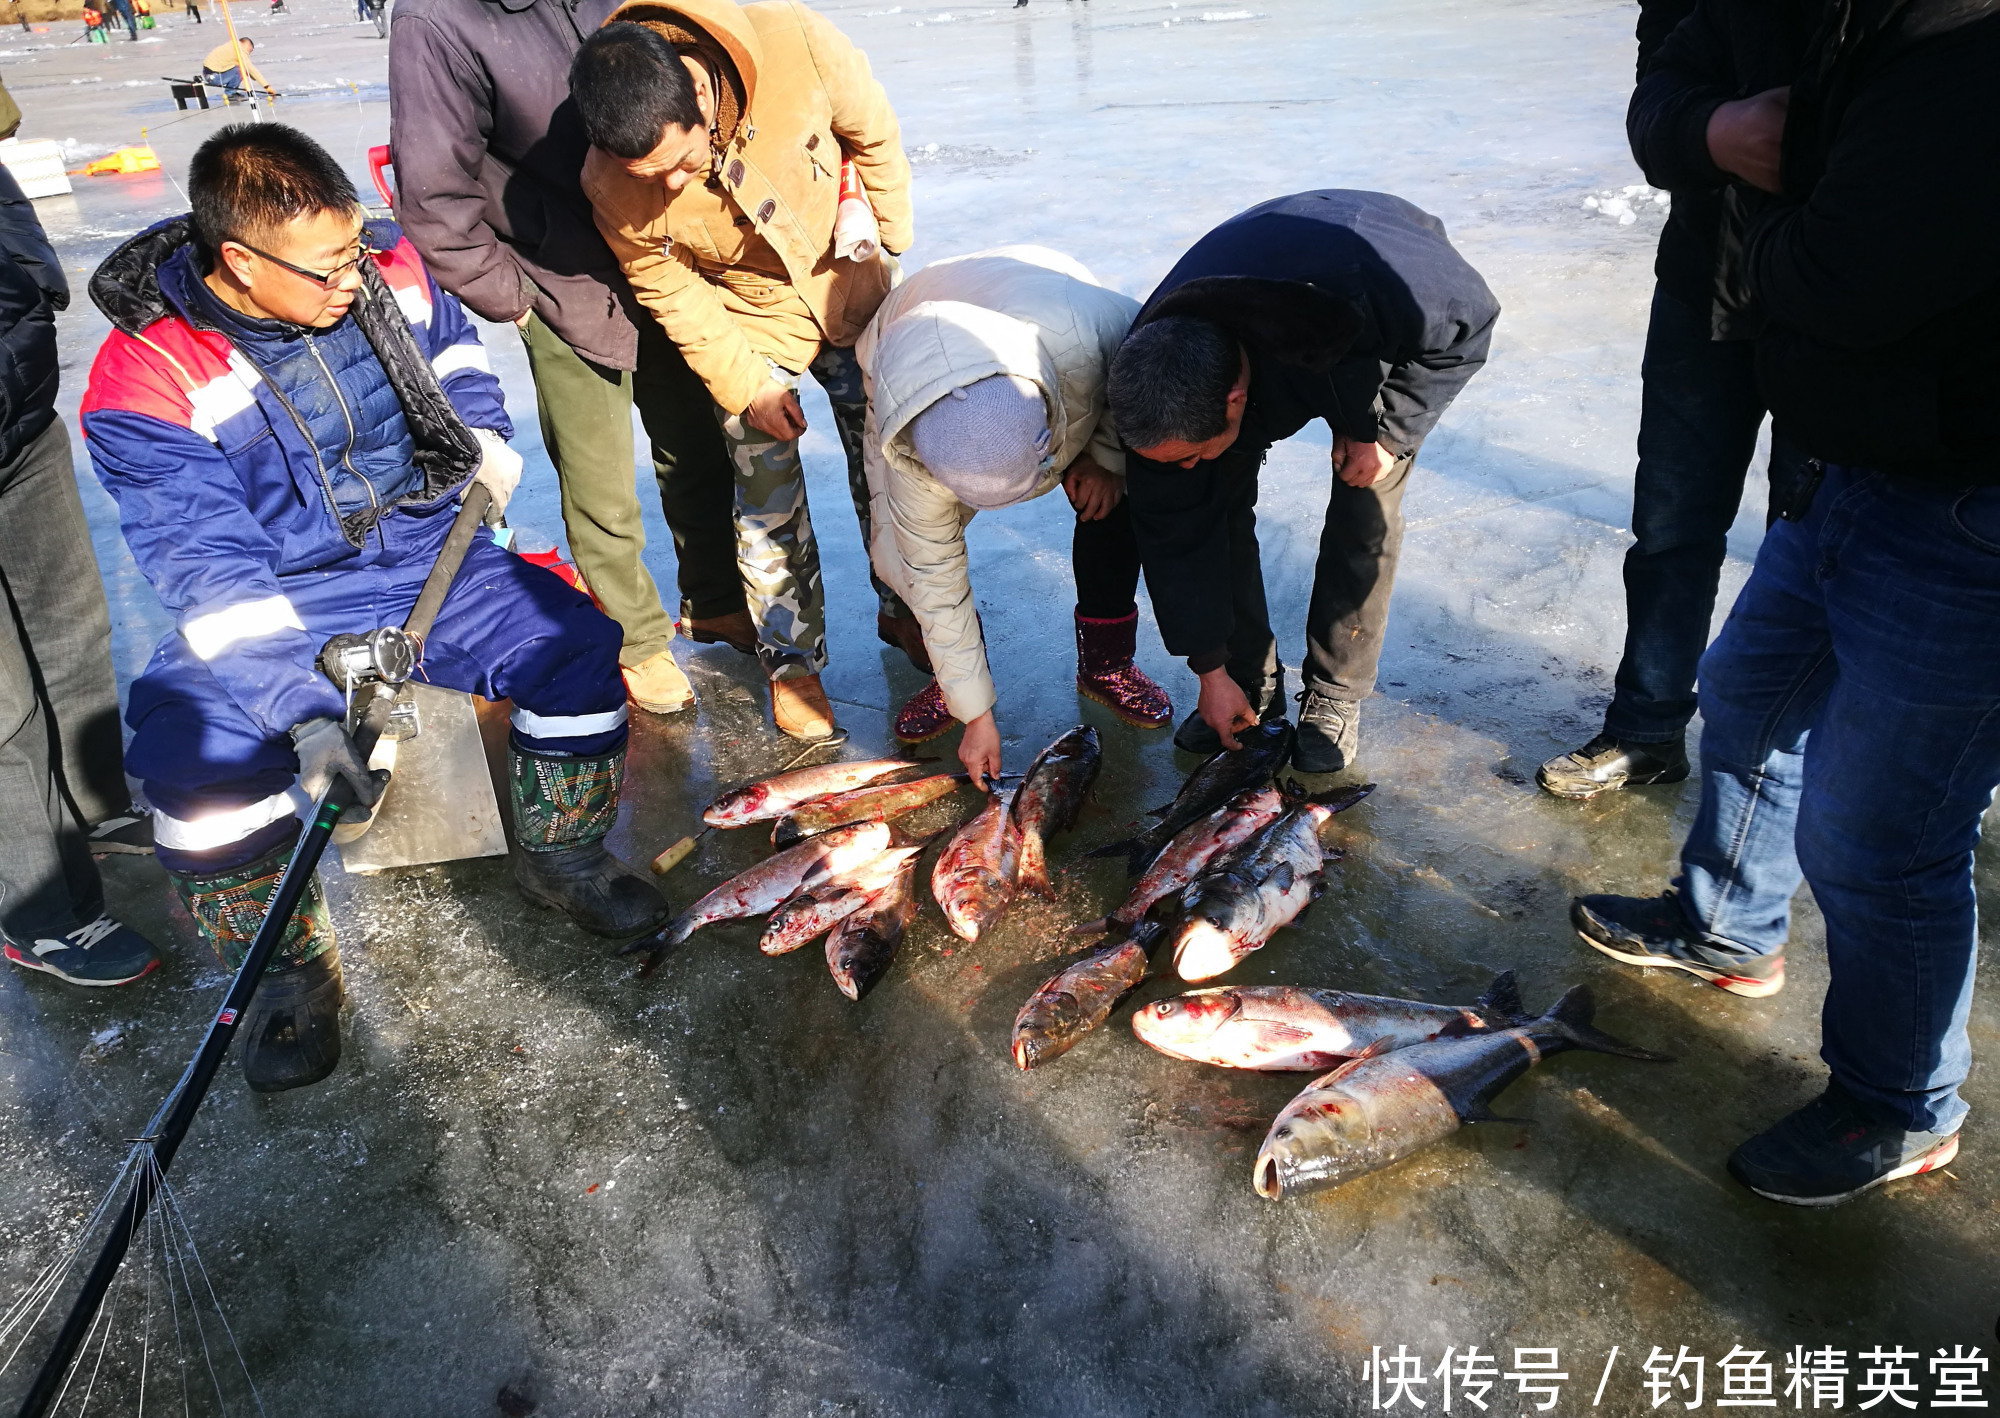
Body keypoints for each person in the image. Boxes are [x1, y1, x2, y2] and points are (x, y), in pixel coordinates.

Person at [80, 125, 669, 1093]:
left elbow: (454, 355)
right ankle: (285, 968)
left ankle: (560, 857)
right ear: (238, 259)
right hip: (283, 595)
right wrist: (301, 713)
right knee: (192, 763)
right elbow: (208, 570)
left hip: (434, 552)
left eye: (354, 252)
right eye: (323, 270)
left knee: (574, 645)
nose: (351, 279)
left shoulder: (382, 261)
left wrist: (482, 435)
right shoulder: (146, 375)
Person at [1571, 0, 2000, 1205]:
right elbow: (1673, 92)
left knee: (1880, 833)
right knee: (1748, 691)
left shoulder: (1959, 42)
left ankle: (1898, 1104)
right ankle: (1724, 926)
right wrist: (1721, 145)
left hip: (1964, 492)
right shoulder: (1840, 21)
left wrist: (1755, 228)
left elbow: (1848, 271)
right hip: (1854, 458)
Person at [571, 2, 927, 743]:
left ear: (700, 102)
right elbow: (668, 288)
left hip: (846, 275)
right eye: (650, 176)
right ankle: (793, 663)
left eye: (678, 164)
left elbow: (874, 127)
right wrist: (748, 385)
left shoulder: (790, 37)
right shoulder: (610, 181)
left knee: (889, 463)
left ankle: (910, 609)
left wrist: (887, 234)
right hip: (751, 314)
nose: (668, 188)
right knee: (760, 478)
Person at [388, 0, 745, 719]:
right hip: (559, 274)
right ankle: (638, 641)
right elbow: (431, 192)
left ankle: (715, 600)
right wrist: (515, 296)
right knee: (600, 476)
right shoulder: (436, 22)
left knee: (697, 444)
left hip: (659, 247)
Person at [1107, 190, 1499, 772]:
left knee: (1365, 502)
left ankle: (1336, 693)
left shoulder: (1401, 289)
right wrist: (1209, 669)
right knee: (1205, 505)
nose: (1182, 465)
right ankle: (1245, 679)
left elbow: (1471, 325)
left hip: (1362, 305)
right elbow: (1174, 535)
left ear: (1237, 401)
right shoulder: (1152, 373)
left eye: (1189, 453)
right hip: (1258, 319)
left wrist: (1389, 431)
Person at [1535, 0, 1812, 801]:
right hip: (1705, 279)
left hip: (1847, 299)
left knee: (1823, 543)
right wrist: (1714, 129)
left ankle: (1811, 762)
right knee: (1670, 525)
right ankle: (1647, 728)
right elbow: (1657, 101)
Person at [854, 246, 1173, 777]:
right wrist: (975, 716)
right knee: (902, 556)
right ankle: (952, 680)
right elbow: (935, 572)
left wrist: (1107, 460)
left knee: (1118, 497)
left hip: (1048, 309)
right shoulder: (907, 442)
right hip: (906, 352)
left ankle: (1106, 663)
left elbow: (1136, 377)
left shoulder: (1097, 327)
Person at [0, 164, 162, 990]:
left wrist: (27, 290)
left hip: (15, 417)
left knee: (73, 626)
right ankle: (42, 910)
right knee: (2, 710)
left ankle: (99, 804)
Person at [202, 37, 278, 100]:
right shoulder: (240, 50)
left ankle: (231, 91)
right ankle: (230, 94)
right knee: (241, 69)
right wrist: (267, 86)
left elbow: (248, 71)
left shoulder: (232, 45)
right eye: (250, 51)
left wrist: (251, 76)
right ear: (248, 46)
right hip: (214, 77)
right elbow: (250, 69)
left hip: (210, 74)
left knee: (241, 69)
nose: (249, 54)